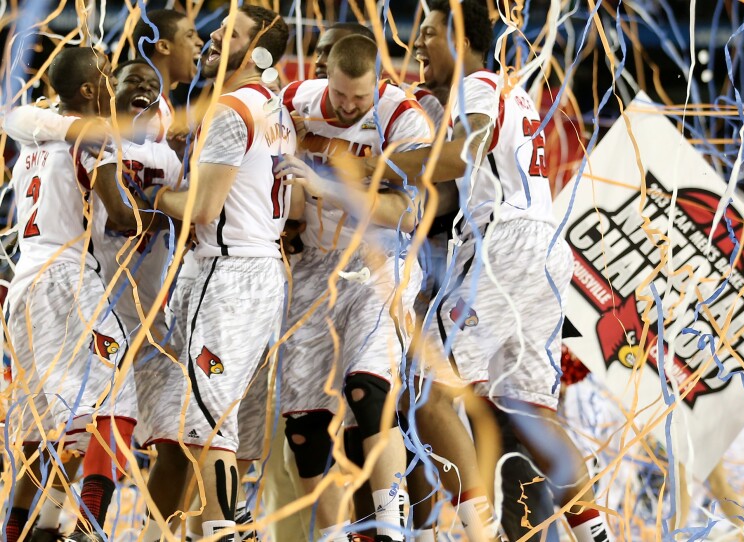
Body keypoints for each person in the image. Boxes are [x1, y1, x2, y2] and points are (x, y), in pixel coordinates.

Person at [353, 0, 613, 540]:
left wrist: (371, 166)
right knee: (533, 412)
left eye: (426, 32)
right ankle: (595, 533)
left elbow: (458, 158)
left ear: (461, 37)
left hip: (501, 248)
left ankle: (480, 531)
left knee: (427, 391)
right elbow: (452, 187)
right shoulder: (507, 93)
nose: (415, 44)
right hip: (544, 248)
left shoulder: (479, 83)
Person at [274, 33, 432, 542]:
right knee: (305, 424)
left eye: (359, 99)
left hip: (378, 259)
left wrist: (330, 187)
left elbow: (410, 214)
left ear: (377, 85)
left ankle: (390, 524)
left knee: (368, 389)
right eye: (339, 95)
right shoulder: (296, 100)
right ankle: (331, 532)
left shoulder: (402, 118)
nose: (347, 106)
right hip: (313, 265)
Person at [146, 5, 294, 541]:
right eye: (214, 31)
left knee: (206, 418)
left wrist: (153, 194)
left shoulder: (232, 110)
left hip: (226, 275)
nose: (212, 39)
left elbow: (204, 209)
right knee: (181, 425)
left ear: (258, 51)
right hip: (251, 272)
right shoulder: (274, 108)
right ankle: (175, 530)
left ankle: (224, 528)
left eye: (231, 34)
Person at [5, 47, 159, 542]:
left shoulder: (34, 135)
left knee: (45, 422)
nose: (113, 86)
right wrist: (160, 213)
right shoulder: (95, 140)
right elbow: (119, 215)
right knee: (117, 398)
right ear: (91, 90)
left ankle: (26, 530)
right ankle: (90, 527)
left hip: (24, 283)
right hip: (66, 279)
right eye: (108, 79)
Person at [131, 8, 205, 143]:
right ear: (164, 47)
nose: (200, 42)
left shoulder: (162, 104)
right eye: (190, 35)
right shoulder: (141, 103)